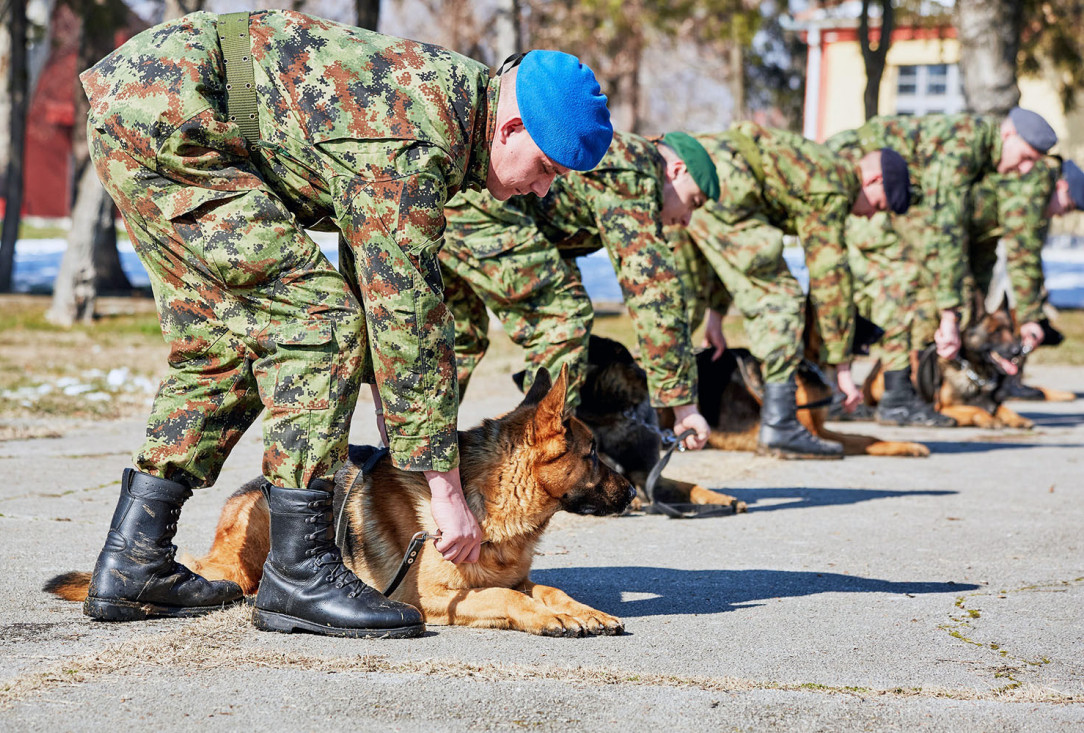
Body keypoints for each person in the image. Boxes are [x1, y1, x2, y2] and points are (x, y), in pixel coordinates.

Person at [79, 9, 612, 638]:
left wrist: (407, 432)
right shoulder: (419, 139)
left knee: (220, 345)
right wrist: (445, 490)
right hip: (172, 112)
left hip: (150, 104)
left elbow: (381, 286)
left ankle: (134, 561)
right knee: (320, 323)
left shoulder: (442, 114)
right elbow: (406, 321)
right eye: (547, 168)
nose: (544, 191)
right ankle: (298, 574)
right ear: (512, 127)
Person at [439, 130, 721, 449]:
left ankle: (411, 463)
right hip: (484, 210)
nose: (686, 220)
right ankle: (539, 468)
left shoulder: (617, 162)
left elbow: (554, 245)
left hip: (456, 199)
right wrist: (683, 404)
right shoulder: (637, 167)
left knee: (455, 337)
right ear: (677, 170)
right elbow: (654, 292)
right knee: (563, 319)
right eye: (693, 202)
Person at [666, 123, 911, 458]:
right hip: (723, 189)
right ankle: (780, 426)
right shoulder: (836, 183)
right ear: (873, 181)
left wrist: (715, 316)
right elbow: (830, 279)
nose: (870, 217)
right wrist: (841, 366)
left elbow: (728, 252)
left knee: (676, 305)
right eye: (879, 206)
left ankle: (641, 412)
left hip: (691, 184)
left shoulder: (815, 163)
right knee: (781, 296)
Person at [830, 108, 1055, 426]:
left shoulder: (980, 153)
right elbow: (945, 229)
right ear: (1008, 135)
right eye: (1026, 156)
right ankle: (884, 396)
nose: (1026, 168)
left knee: (913, 285)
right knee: (901, 279)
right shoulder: (964, 146)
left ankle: (886, 394)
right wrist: (950, 313)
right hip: (864, 180)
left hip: (891, 192)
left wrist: (1027, 314)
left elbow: (967, 245)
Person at [966, 158, 1084, 398]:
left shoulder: (1039, 179)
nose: (1062, 214)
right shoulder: (1037, 186)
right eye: (1068, 205)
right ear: (1061, 186)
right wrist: (1031, 317)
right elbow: (1023, 255)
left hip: (973, 241)